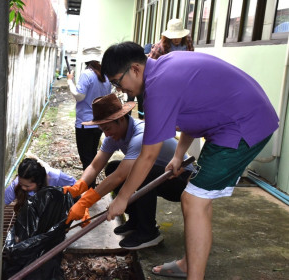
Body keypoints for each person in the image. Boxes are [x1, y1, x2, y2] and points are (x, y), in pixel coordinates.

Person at [100, 42, 279, 279]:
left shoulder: (159, 86)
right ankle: (189, 263)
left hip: (242, 125)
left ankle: (194, 274)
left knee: (194, 200)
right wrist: (177, 156)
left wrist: (123, 197)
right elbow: (193, 112)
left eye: (117, 81)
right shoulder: (164, 68)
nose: (120, 89)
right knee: (198, 199)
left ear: (134, 69)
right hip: (235, 120)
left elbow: (148, 154)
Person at [63, 93, 194, 250]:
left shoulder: (141, 135)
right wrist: (79, 187)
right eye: (102, 129)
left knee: (142, 172)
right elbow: (94, 166)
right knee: (112, 166)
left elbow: (120, 176)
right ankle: (136, 221)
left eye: (107, 128)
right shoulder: (113, 136)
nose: (106, 134)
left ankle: (149, 233)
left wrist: (86, 202)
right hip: (161, 175)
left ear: (120, 119)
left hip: (182, 182)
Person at [67, 46, 112, 187]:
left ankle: (89, 189)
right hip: (99, 123)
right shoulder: (106, 75)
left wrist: (69, 81)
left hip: (84, 124)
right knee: (92, 157)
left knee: (86, 159)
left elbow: (79, 96)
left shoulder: (87, 74)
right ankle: (91, 186)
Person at [4, 157, 76, 212]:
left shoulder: (56, 177)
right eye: (21, 183)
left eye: (27, 186)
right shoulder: (16, 184)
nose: (23, 188)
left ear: (38, 182)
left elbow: (77, 187)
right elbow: (2, 203)